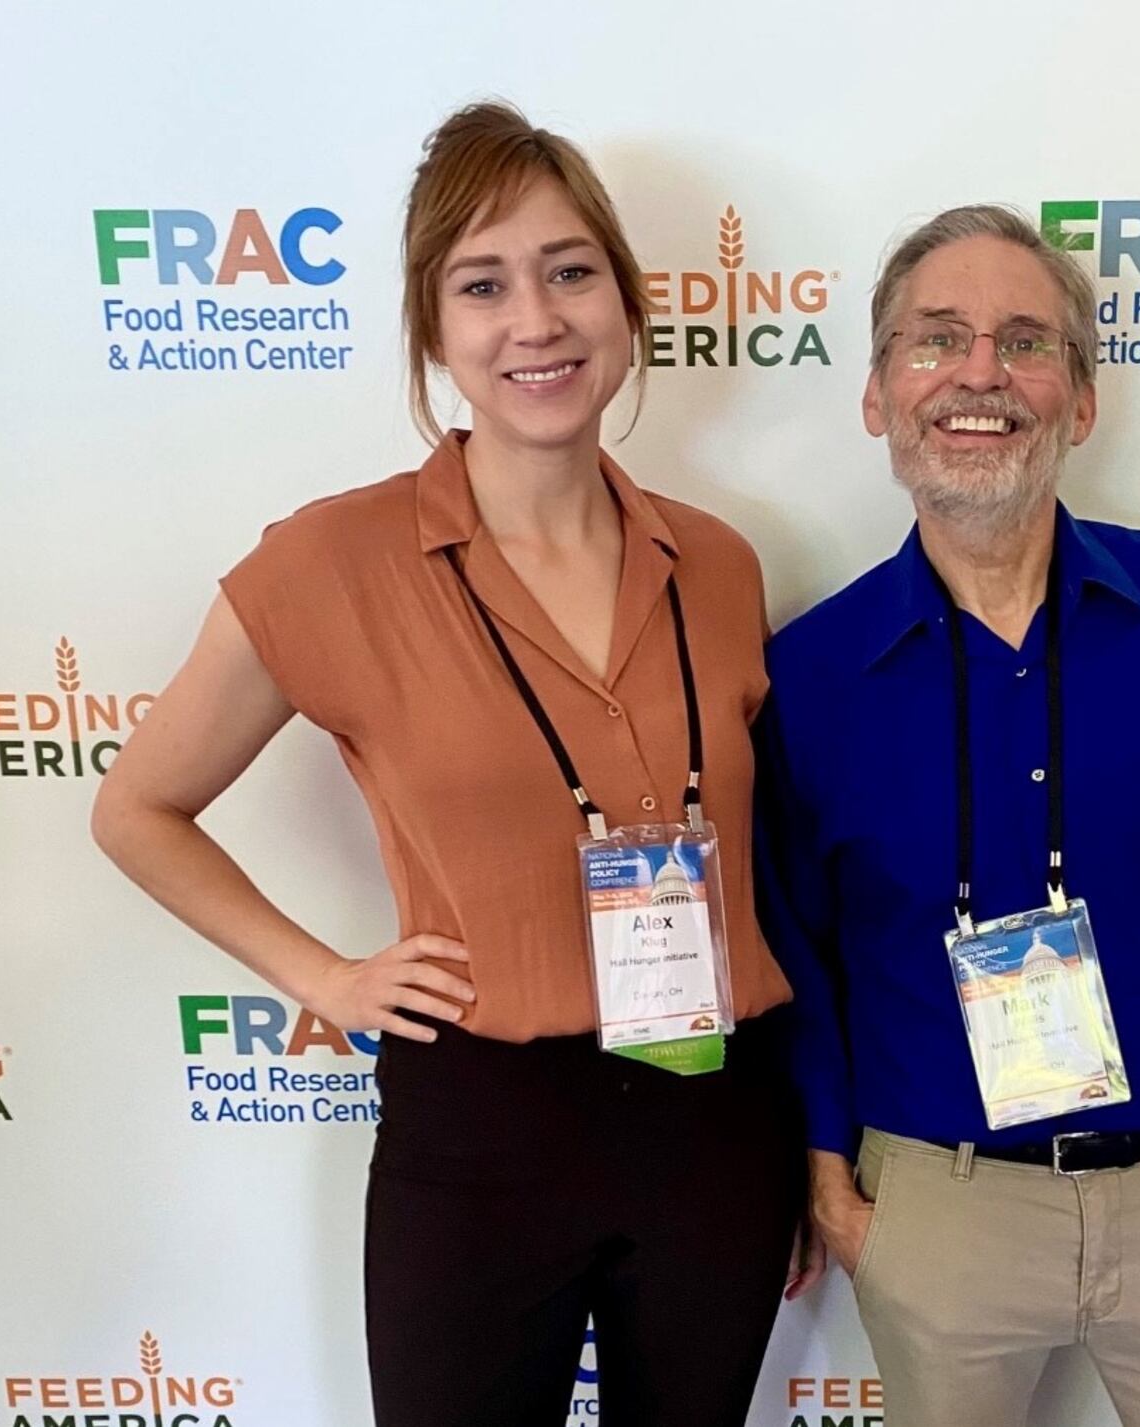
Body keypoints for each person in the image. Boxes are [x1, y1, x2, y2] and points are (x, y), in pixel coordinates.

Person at [92, 101, 805, 1427]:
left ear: (627, 301)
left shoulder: (718, 561)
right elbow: (138, 806)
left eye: (569, 269)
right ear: (435, 328)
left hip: (716, 1111)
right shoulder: (329, 564)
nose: (535, 319)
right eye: (484, 283)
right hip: (483, 1127)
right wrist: (324, 974)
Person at [755, 204, 1140, 1427]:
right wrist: (834, 1187)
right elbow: (801, 960)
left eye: (1024, 341)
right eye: (936, 340)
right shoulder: (809, 673)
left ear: (1080, 402)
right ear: (878, 394)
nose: (979, 373)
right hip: (940, 1214)